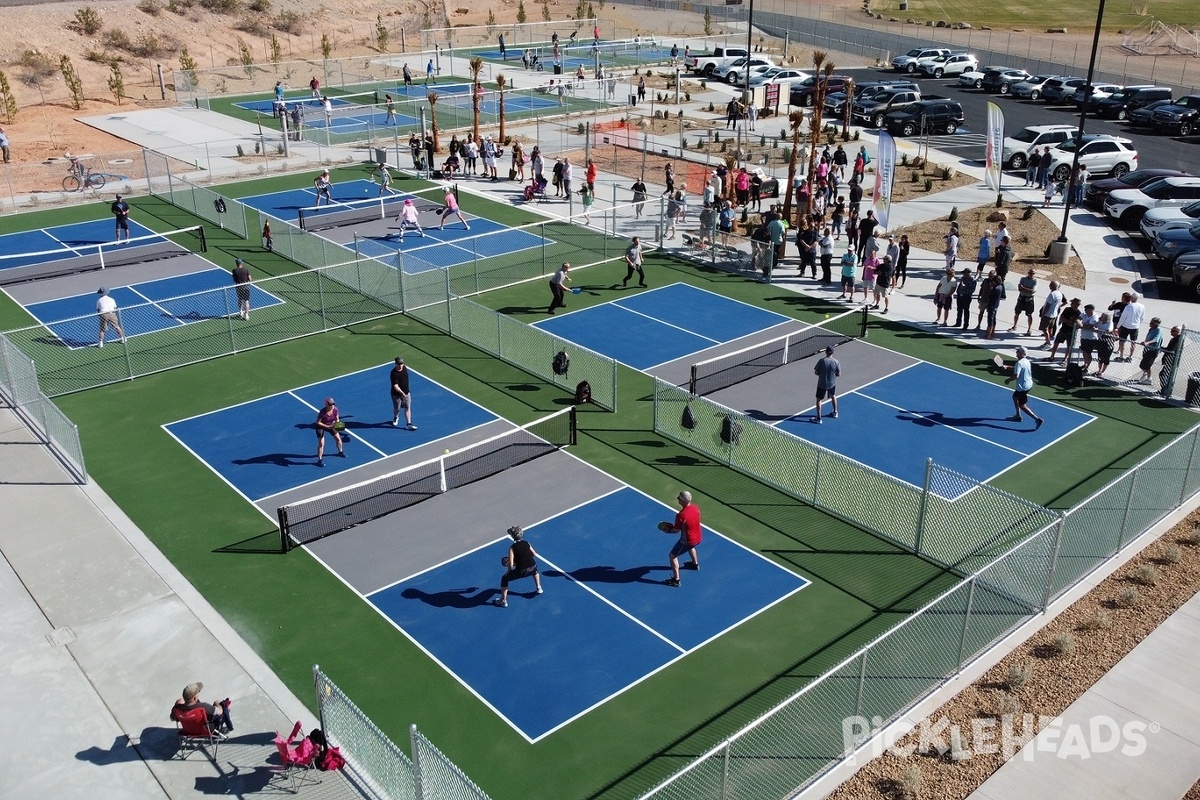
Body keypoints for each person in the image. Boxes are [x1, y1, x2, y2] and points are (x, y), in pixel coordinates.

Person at [493, 525, 543, 607]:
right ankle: (539, 588)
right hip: (532, 567)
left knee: (504, 579)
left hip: (521, 571)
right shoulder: (527, 543)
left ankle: (503, 601)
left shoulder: (512, 548)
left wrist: (511, 567)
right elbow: (534, 554)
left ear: (512, 536)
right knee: (535, 570)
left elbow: (511, 565)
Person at [661, 490, 701, 587]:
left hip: (687, 541)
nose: (678, 499)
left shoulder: (681, 515)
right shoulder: (695, 508)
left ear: (683, 501)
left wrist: (668, 530)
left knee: (672, 555)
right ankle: (694, 565)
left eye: (679, 498)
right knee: (691, 547)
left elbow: (675, 530)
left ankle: (676, 580)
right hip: (698, 537)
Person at [1005, 346, 1044, 429]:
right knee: (1015, 396)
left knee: (1022, 405)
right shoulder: (1026, 361)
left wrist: (1008, 380)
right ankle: (1018, 416)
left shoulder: (1019, 363)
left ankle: (1037, 419)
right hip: (1029, 384)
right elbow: (1020, 369)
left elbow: (1016, 375)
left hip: (1022, 387)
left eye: (1017, 351)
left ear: (1021, 353)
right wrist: (1009, 367)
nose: (1016, 352)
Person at [1047, 297, 1082, 363]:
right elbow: (1061, 318)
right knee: (1056, 343)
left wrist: (1066, 321)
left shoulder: (1079, 313)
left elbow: (1074, 324)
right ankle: (1052, 356)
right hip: (1063, 329)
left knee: (1069, 346)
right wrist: (1067, 321)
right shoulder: (1067, 309)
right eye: (1074, 304)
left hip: (1071, 332)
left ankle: (1065, 359)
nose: (1075, 305)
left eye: (1077, 304)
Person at [813, 345, 840, 423]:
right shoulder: (836, 362)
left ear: (826, 352)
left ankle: (819, 418)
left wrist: (820, 375)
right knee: (833, 396)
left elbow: (816, 372)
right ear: (833, 353)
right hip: (832, 383)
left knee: (819, 400)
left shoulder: (822, 361)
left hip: (822, 384)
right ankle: (835, 412)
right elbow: (839, 374)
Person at [1116, 291, 1146, 362]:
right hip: (1135, 328)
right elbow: (1142, 318)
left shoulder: (1128, 306)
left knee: (1122, 341)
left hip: (1125, 326)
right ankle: (1130, 356)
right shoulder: (1142, 307)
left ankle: (1121, 356)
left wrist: (1118, 326)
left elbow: (1123, 317)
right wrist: (1138, 324)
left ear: (1132, 298)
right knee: (1133, 342)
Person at [314, 396, 344, 466]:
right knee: (321, 444)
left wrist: (337, 424)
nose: (332, 405)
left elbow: (337, 419)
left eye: (333, 404)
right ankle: (319, 460)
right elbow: (317, 422)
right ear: (326, 404)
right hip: (320, 426)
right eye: (330, 404)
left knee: (338, 439)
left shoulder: (335, 409)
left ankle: (340, 452)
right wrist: (327, 427)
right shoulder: (322, 412)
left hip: (331, 425)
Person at [389, 357, 417, 429]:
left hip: (407, 393)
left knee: (407, 407)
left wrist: (405, 392)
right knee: (397, 409)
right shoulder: (393, 373)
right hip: (396, 395)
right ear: (395, 364)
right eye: (399, 364)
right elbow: (395, 386)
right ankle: (396, 417)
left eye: (401, 363)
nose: (401, 365)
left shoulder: (404, 368)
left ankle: (409, 424)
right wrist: (402, 393)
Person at [1010, 268, 1037, 335]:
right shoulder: (1023, 279)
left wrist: (1023, 288)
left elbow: (1032, 291)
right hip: (1021, 298)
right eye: (1030, 273)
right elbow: (1019, 289)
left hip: (1029, 299)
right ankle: (1014, 326)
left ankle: (1029, 329)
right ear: (1028, 273)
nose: (1031, 275)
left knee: (1029, 314)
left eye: (1033, 273)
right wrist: (1026, 290)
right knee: (1017, 313)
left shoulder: (1035, 281)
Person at [1137, 317, 1164, 385]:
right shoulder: (1151, 329)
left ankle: (1149, 379)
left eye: (1152, 323)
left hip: (1153, 350)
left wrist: (1147, 343)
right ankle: (1145, 375)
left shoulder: (1158, 330)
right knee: (1142, 365)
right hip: (1147, 349)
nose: (1150, 324)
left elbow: (1155, 339)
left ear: (1156, 324)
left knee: (1147, 365)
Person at [1038, 280, 1064, 347]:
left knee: (1044, 329)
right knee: (1050, 328)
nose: (1049, 286)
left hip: (1048, 315)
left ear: (1054, 286)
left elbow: (1047, 306)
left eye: (1051, 284)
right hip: (1054, 314)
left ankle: (1048, 343)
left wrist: (1043, 314)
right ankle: (1049, 339)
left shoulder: (1052, 294)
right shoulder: (1059, 294)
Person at [1078, 303, 1100, 374]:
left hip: (1091, 338)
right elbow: (1077, 320)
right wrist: (1081, 324)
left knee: (1088, 353)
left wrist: (1081, 325)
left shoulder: (1094, 317)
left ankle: (1087, 367)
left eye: (1086, 309)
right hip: (1084, 336)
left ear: (1091, 310)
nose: (1085, 311)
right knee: (1084, 352)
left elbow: (1089, 326)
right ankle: (1085, 364)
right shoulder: (1084, 314)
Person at [1159, 325, 1182, 392]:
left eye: (1173, 331)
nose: (1171, 332)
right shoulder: (1174, 339)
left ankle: (1165, 390)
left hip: (1171, 361)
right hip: (1169, 360)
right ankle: (1165, 390)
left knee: (1163, 374)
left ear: (1178, 332)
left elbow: (1171, 350)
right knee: (1166, 375)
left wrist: (1162, 349)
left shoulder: (1178, 340)